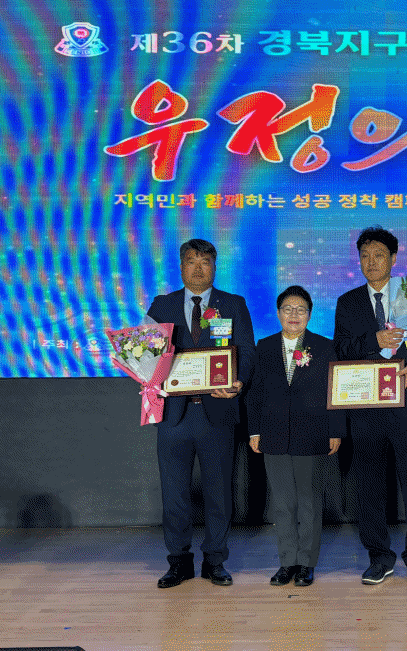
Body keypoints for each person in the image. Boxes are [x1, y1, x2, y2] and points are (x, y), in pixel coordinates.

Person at [333, 226, 407, 587]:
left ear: (394, 259)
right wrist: (375, 339)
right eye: (365, 256)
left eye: (379, 255)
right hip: (366, 406)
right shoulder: (348, 302)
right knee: (369, 486)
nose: (372, 262)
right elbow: (341, 350)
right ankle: (379, 558)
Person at [146, 239, 255, 588]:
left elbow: (247, 352)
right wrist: (145, 373)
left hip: (217, 411)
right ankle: (178, 562)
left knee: (219, 493)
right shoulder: (162, 305)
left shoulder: (233, 304)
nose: (197, 268)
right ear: (181, 267)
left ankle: (215, 561)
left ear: (214, 267)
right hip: (173, 414)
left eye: (205, 261)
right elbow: (146, 353)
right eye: (191, 261)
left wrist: (238, 382)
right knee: (174, 494)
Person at [247, 285, 345, 587]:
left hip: (312, 434)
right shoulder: (264, 347)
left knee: (309, 503)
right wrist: (254, 429)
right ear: (278, 313)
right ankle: (287, 562)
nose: (294, 314)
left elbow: (335, 390)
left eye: (300, 309)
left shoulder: (324, 347)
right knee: (283, 504)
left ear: (309, 315)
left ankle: (306, 564)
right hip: (273, 435)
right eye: (288, 309)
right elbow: (255, 392)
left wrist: (335, 430)